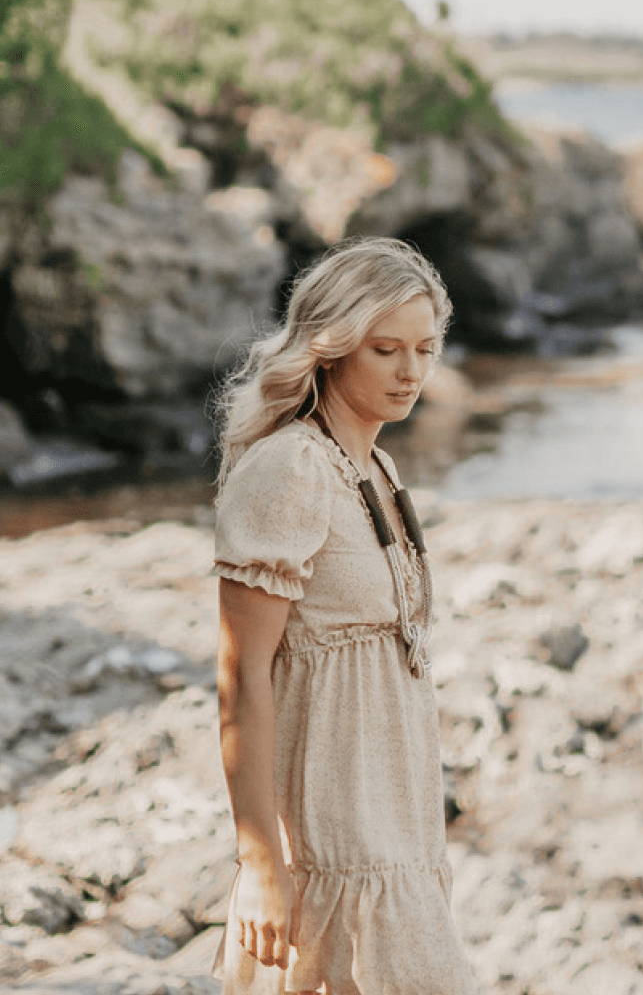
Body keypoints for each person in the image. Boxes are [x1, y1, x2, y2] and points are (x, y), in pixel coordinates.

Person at [206, 236, 478, 994]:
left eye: (425, 349)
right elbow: (240, 677)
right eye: (385, 349)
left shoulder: (378, 468)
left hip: (399, 836)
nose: (411, 372)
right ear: (329, 349)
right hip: (329, 847)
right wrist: (260, 863)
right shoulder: (290, 468)